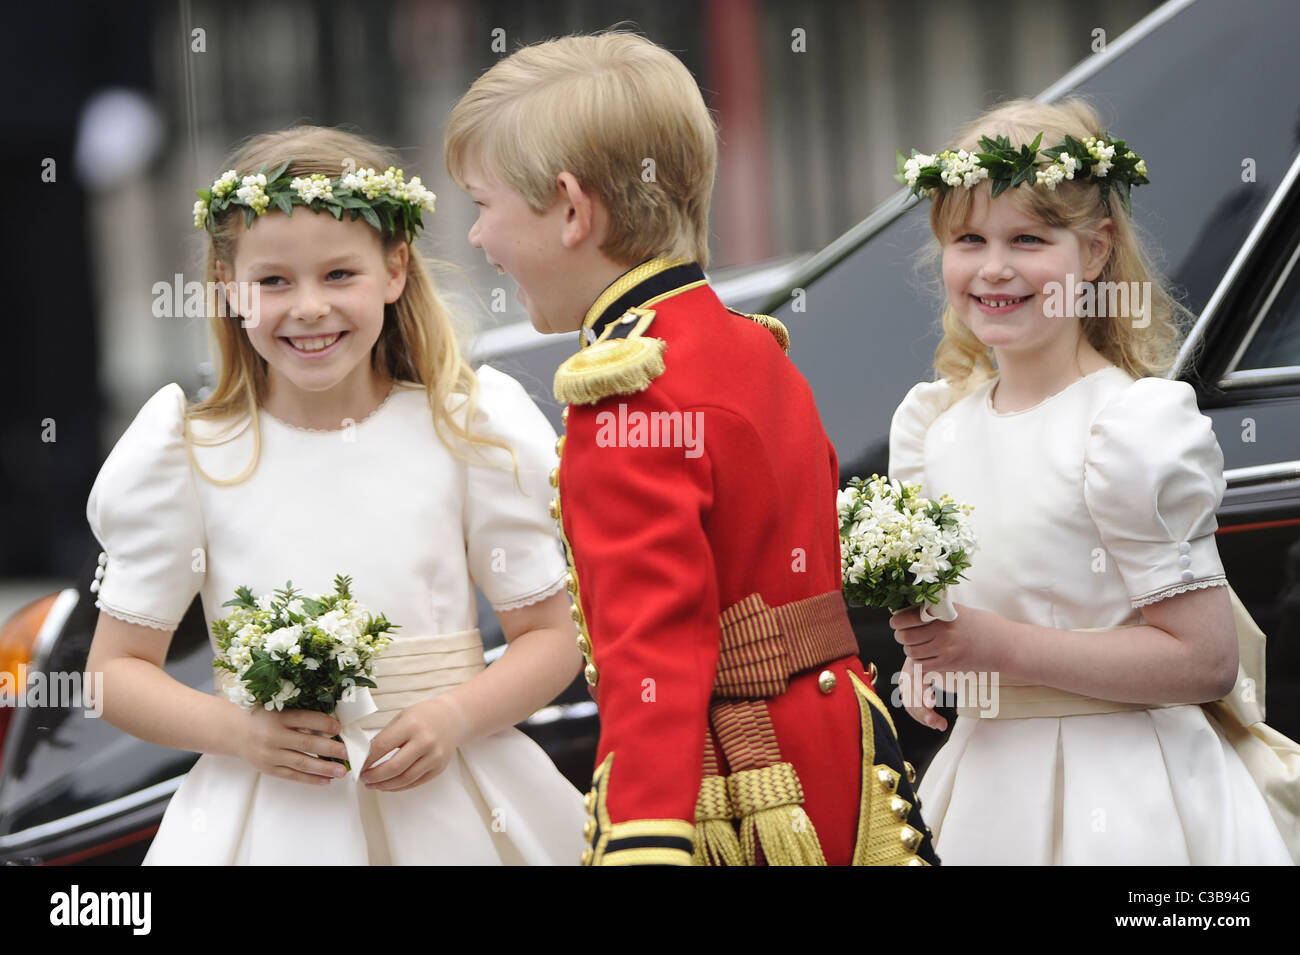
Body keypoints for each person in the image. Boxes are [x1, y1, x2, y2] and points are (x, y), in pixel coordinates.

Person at [445, 31, 938, 867]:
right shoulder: (749, 343)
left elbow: (656, 654)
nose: (475, 238)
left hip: (741, 789)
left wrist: (642, 840)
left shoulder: (627, 388)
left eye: (483, 204)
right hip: (839, 754)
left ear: (571, 210)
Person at [84, 125, 587, 865]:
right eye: (274, 282)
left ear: (395, 269)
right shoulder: (188, 454)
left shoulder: (467, 429)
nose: (310, 307)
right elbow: (114, 671)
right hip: (269, 820)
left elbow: (552, 636)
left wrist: (454, 716)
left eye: (339, 274)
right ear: (227, 284)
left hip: (454, 800)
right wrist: (242, 733)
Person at [887, 98, 1295, 865]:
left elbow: (1206, 660)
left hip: (1130, 792)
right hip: (986, 792)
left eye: (1028, 239)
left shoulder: (1128, 428)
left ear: (1097, 250)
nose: (995, 266)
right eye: (970, 239)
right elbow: (975, 616)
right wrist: (929, 660)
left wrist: (996, 646)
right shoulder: (935, 431)